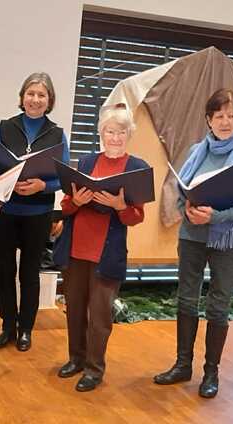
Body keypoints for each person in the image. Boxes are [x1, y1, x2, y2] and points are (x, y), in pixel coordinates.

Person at [153, 88, 233, 398]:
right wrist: (186, 209)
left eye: (232, 115)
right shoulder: (195, 150)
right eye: (219, 116)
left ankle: (211, 372)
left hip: (230, 238)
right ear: (208, 119)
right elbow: (181, 191)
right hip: (192, 234)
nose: (225, 122)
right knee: (186, 299)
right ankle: (182, 365)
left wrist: (215, 216)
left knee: (219, 304)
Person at [53, 105, 148, 392]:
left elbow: (136, 217)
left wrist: (119, 206)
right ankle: (76, 359)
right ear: (101, 133)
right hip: (75, 248)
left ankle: (94, 369)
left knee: (100, 315)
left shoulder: (137, 168)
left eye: (121, 132)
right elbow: (66, 207)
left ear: (129, 134)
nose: (115, 138)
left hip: (107, 254)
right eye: (110, 131)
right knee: (74, 309)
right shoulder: (85, 163)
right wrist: (78, 201)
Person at [0, 72, 69, 352]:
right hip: (6, 211)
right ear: (22, 97)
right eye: (31, 94)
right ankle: (7, 326)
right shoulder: (3, 128)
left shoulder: (57, 134)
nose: (35, 99)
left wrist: (42, 185)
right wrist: (6, 181)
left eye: (41, 95)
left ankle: (25, 329)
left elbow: (64, 178)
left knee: (30, 272)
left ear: (49, 100)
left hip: (38, 212)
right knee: (4, 270)